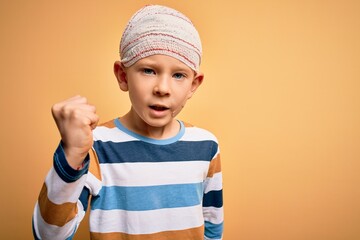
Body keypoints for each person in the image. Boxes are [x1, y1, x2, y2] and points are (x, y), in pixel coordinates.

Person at [32, 4, 223, 240]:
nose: (162, 88)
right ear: (123, 76)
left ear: (193, 85)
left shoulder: (206, 146)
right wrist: (71, 154)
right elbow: (48, 236)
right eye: (149, 71)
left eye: (178, 75)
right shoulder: (94, 146)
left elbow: (213, 226)